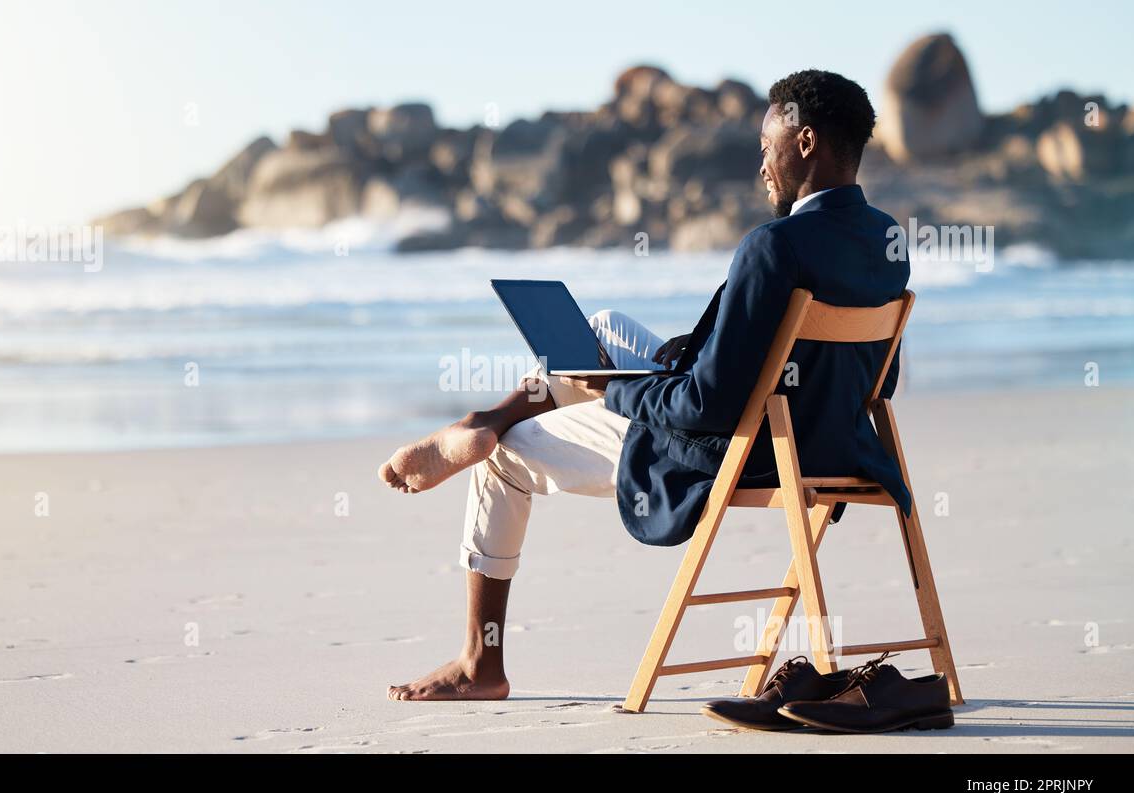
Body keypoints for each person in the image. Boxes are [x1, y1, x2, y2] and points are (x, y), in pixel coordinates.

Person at [380, 69, 911, 702]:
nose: (761, 166)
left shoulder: (773, 246)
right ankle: (485, 419)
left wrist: (614, 392)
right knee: (606, 328)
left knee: (506, 461)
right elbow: (880, 375)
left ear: (804, 143)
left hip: (739, 448)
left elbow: (707, 406)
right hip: (832, 438)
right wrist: (690, 358)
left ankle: (480, 661)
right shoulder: (888, 239)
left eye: (767, 147)